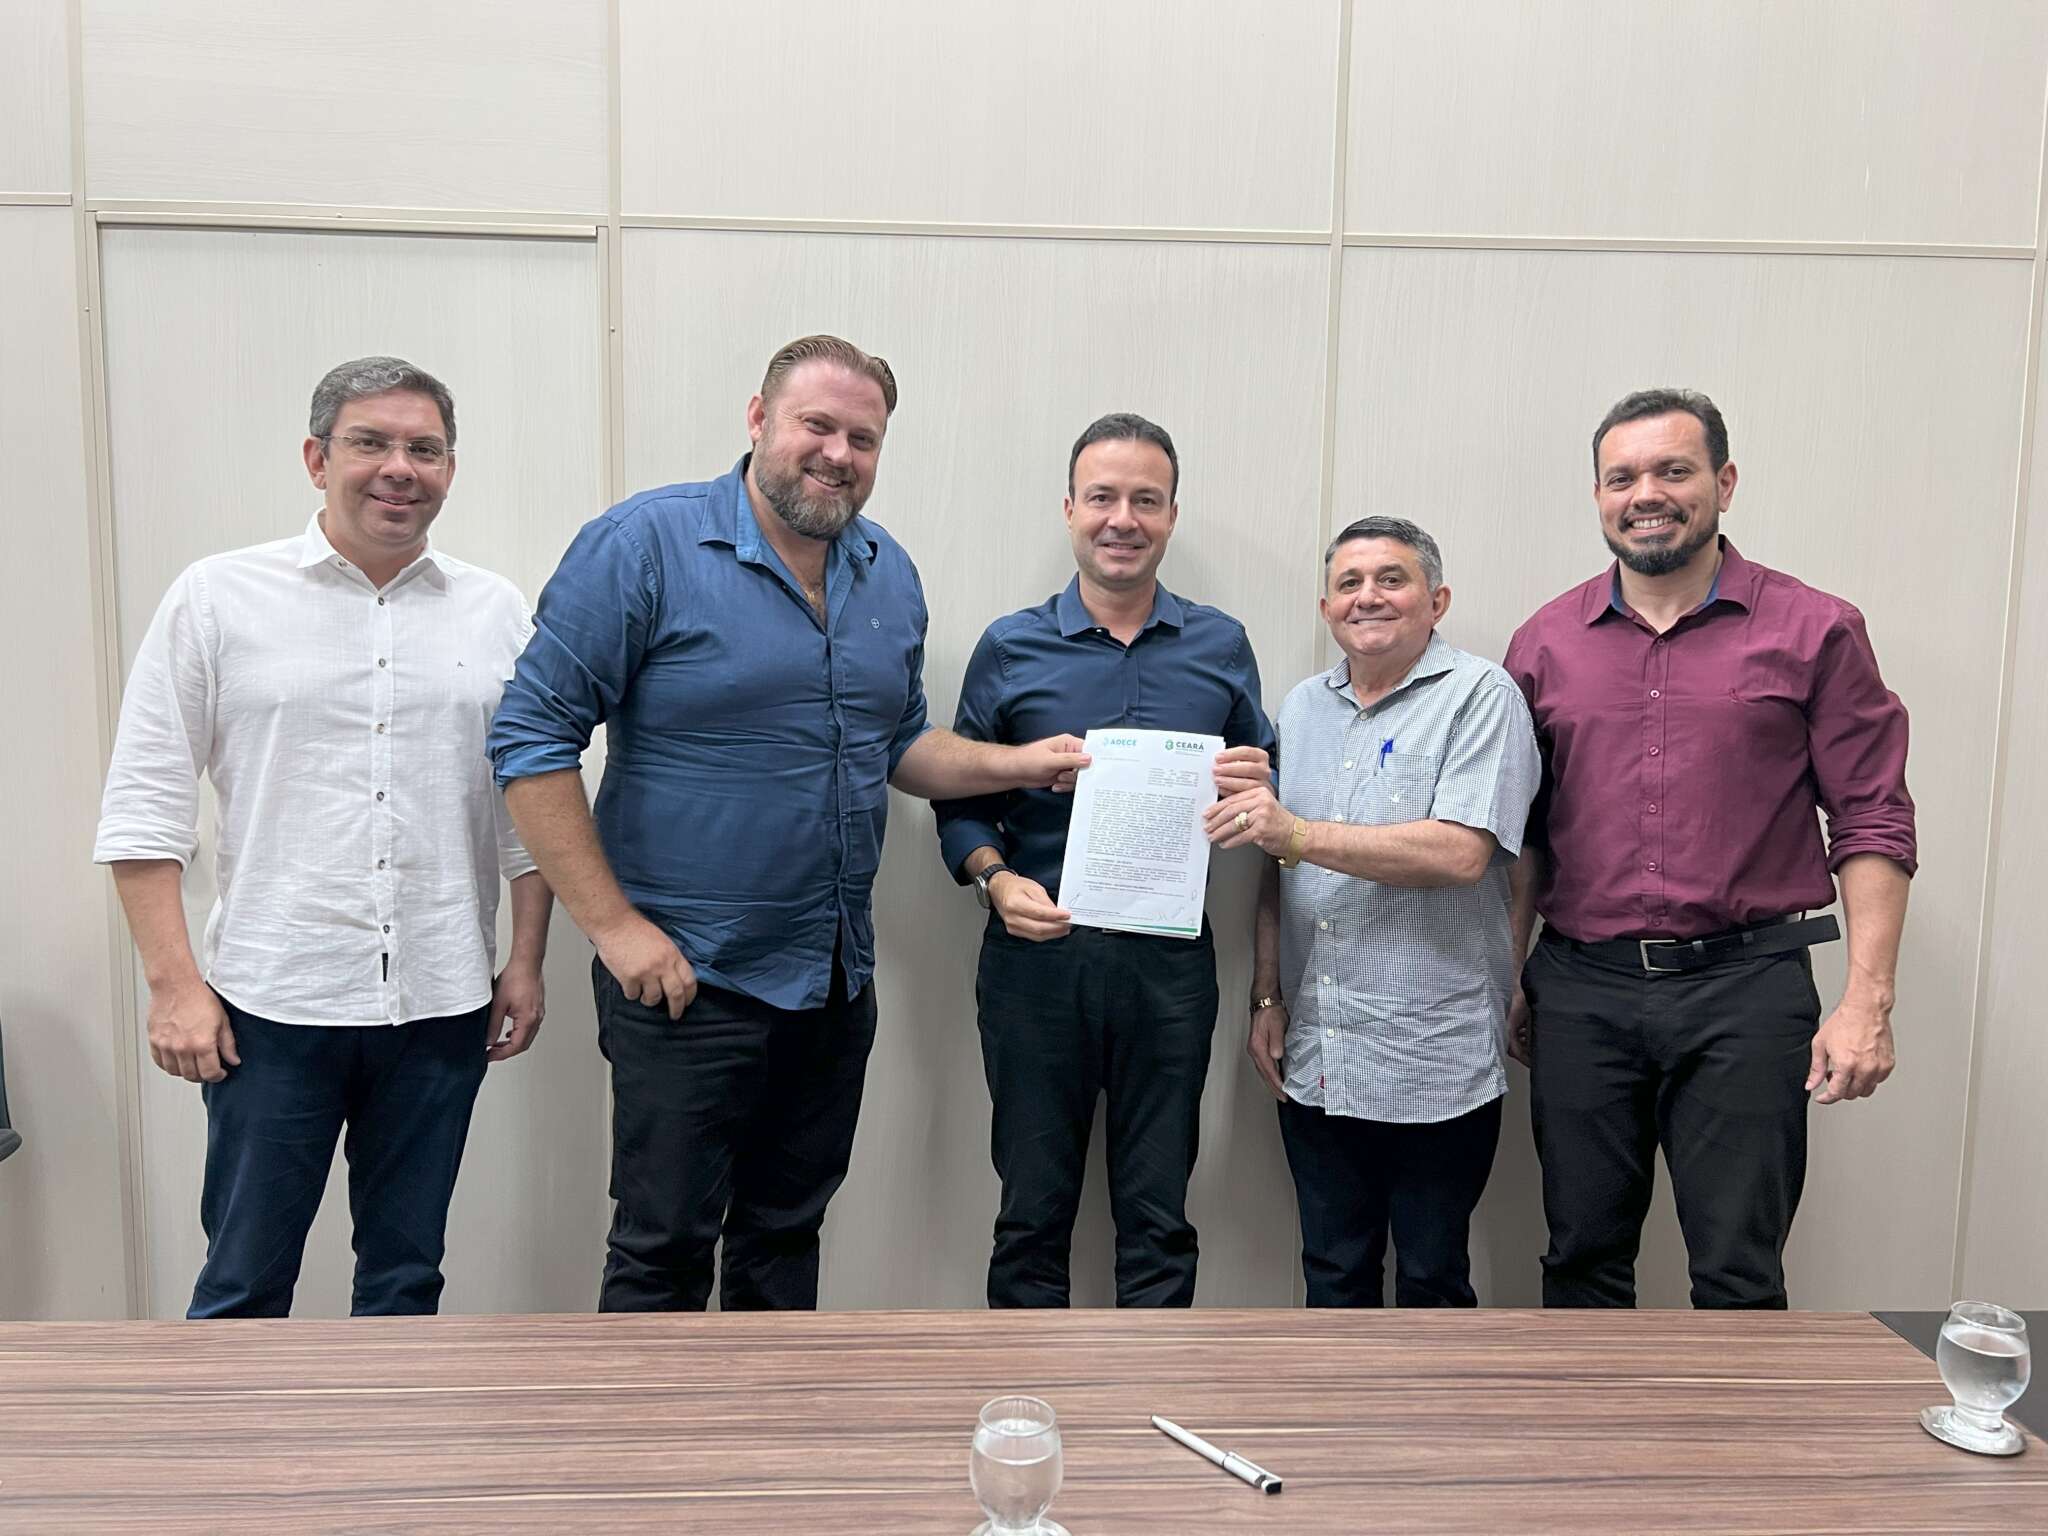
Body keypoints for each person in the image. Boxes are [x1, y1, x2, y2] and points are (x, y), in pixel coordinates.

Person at [487, 335, 1086, 1312]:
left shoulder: (886, 571)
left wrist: (1019, 764)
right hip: (685, 980)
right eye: (817, 425)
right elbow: (529, 739)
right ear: (759, 419)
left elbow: (897, 744)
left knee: (784, 1238)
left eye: (863, 438)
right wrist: (613, 928)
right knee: (663, 1250)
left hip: (831, 981)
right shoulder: (643, 545)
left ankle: (768, 1417)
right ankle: (652, 1423)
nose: (838, 454)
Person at [94, 356, 553, 1318]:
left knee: (405, 1281)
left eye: (424, 449)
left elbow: (528, 806)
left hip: (440, 1003)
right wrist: (175, 987)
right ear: (317, 459)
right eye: (370, 443)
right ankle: (234, 1427)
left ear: (450, 467)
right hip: (271, 1007)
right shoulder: (218, 598)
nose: (399, 468)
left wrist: (525, 960)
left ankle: (386, 1426)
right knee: (243, 1282)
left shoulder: (496, 611)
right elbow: (144, 804)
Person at [1504, 387, 1915, 1309]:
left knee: (1739, 1275)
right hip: (1582, 990)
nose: (1646, 493)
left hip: (1746, 992)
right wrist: (1513, 972)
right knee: (1579, 1260)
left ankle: (1736, 1417)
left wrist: (1868, 999)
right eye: (1622, 478)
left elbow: (1873, 817)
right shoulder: (1544, 644)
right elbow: (1525, 835)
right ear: (1599, 496)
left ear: (1724, 484)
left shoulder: (1816, 629)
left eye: (1673, 471)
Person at [935, 412, 1275, 1308]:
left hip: (1170, 965)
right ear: (1070, 510)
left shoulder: (1221, 644)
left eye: (1146, 500)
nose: (1123, 519)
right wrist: (994, 880)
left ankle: (1151, 1393)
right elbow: (959, 798)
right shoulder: (1010, 645)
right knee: (1031, 1213)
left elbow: (1263, 781)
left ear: (1171, 517)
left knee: (1160, 1214)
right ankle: (1028, 1393)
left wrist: (1253, 786)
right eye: (1102, 497)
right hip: (1036, 959)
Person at [1213, 517, 1537, 1306]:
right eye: (1349, 584)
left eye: (1392, 579)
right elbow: (1279, 867)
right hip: (1320, 1050)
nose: (1369, 597)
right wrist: (1266, 996)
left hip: (1436, 1053)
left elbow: (1461, 853)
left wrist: (1296, 832)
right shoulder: (1302, 709)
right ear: (1326, 607)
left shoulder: (1481, 696)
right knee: (1332, 1274)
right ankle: (1338, 1399)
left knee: (1432, 1277)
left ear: (1437, 600)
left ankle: (1430, 1399)